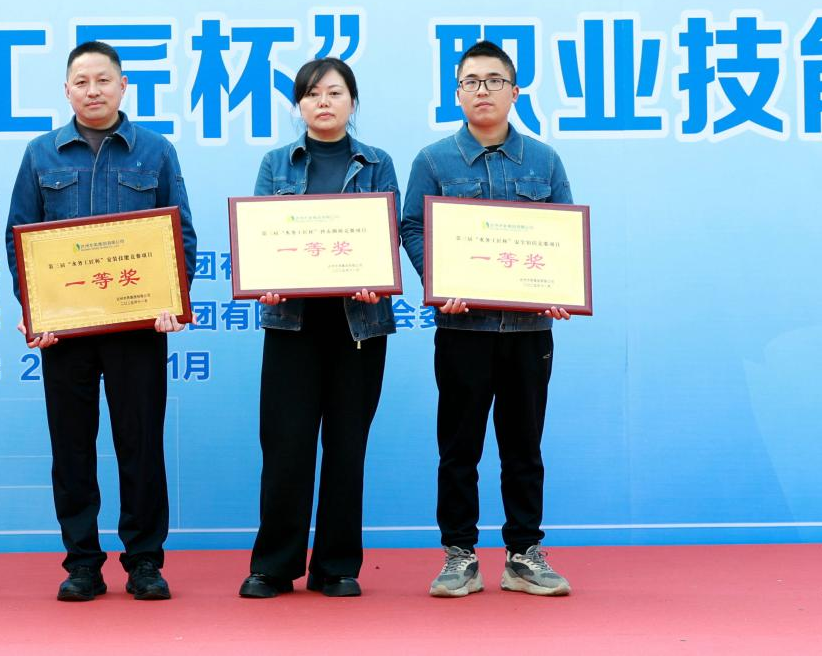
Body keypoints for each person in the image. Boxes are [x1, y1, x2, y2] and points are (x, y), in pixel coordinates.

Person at [5, 41, 196, 602]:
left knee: (142, 445)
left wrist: (173, 299)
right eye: (82, 82)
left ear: (123, 86)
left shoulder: (155, 152)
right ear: (67, 90)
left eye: (103, 80)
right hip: (65, 332)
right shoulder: (41, 154)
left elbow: (180, 235)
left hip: (138, 329)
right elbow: (19, 239)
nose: (93, 90)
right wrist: (34, 311)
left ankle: (144, 561)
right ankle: (82, 562)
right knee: (72, 448)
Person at [400, 40, 573, 598]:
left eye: (494, 81)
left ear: (514, 91)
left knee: (524, 447)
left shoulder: (545, 161)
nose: (482, 91)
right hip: (462, 329)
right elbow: (411, 227)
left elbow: (562, 235)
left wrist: (560, 289)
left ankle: (523, 554)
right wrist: (437, 280)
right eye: (471, 82)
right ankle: (460, 555)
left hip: (529, 332)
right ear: (457, 93)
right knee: (459, 448)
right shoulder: (433, 161)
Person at [238, 58, 399, 600]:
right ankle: (274, 565)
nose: (322, 102)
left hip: (359, 325)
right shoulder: (276, 163)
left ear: (352, 101)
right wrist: (265, 280)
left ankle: (336, 565)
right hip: (293, 323)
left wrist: (378, 276)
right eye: (311, 94)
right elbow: (262, 237)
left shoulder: (376, 163)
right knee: (285, 446)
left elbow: (387, 234)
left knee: (346, 447)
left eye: (333, 92)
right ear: (298, 105)